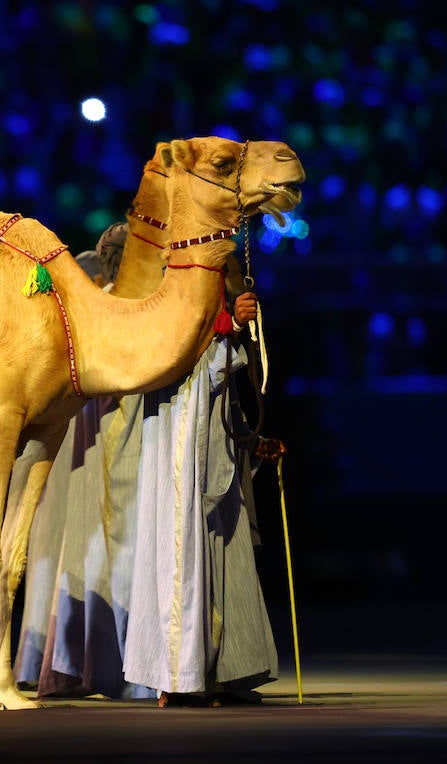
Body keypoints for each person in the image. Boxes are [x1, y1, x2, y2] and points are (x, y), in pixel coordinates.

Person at [122, 259, 278, 706]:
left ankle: (224, 672)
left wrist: (253, 441)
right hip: (180, 448)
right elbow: (188, 367)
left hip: (215, 450)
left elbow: (222, 385)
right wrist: (227, 326)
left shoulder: (208, 310)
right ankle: (180, 673)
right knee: (183, 549)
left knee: (224, 553)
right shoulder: (165, 307)